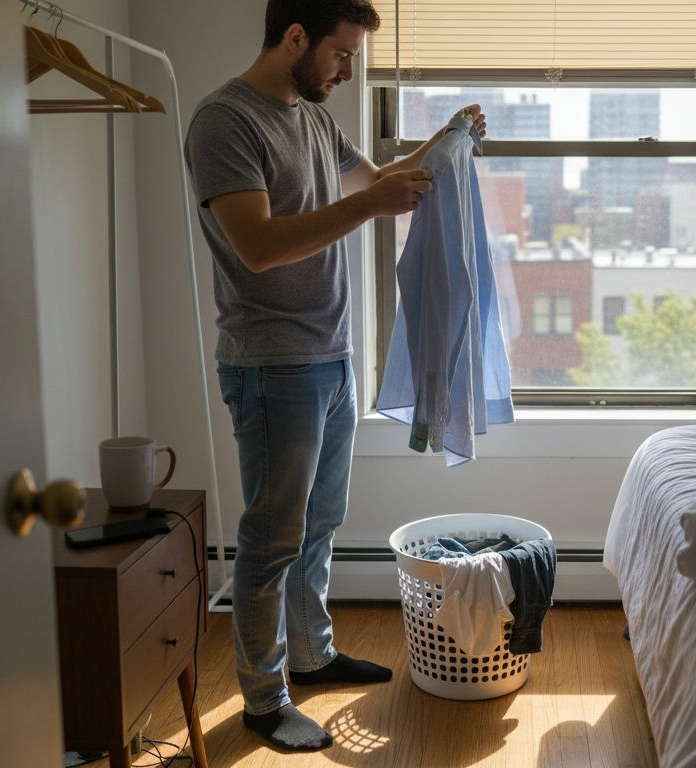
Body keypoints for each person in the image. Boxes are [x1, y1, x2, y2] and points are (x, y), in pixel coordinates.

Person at [183, 0, 487, 753]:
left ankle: (312, 656)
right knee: (271, 538)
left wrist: (447, 137)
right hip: (271, 364)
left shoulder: (314, 119)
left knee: (319, 523)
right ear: (295, 38)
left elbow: (379, 180)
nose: (348, 71)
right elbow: (257, 246)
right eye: (342, 54)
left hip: (330, 353)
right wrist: (373, 204)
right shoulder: (226, 121)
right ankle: (263, 701)